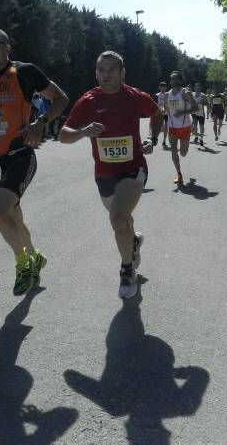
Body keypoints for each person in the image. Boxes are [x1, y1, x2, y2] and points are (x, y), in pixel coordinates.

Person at [0, 28, 68, 296]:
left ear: (8, 48)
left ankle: (23, 265)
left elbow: (61, 98)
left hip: (19, 155)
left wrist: (40, 123)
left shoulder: (25, 72)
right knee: (13, 216)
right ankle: (35, 255)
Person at [59, 51, 160, 298]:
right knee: (122, 220)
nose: (106, 75)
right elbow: (63, 135)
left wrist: (152, 138)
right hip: (104, 174)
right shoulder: (89, 100)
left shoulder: (135, 97)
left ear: (122, 73)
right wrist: (83, 131)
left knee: (118, 219)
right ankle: (133, 242)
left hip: (133, 168)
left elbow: (157, 115)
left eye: (111, 70)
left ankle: (127, 270)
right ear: (96, 73)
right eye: (101, 70)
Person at [163, 71, 198, 185]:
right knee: (173, 150)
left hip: (185, 127)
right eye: (171, 79)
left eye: (175, 79)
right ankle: (179, 174)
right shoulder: (167, 94)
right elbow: (166, 108)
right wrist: (164, 112)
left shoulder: (185, 93)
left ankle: (187, 143)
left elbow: (195, 107)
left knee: (183, 152)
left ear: (180, 80)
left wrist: (183, 112)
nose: (173, 81)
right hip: (172, 127)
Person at [155, 82, 170, 150]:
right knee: (158, 127)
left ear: (166, 88)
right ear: (159, 87)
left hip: (167, 113)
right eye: (161, 86)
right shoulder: (156, 95)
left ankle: (164, 140)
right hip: (159, 113)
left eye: (164, 87)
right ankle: (155, 138)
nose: (163, 88)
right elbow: (154, 104)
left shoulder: (169, 95)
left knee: (166, 127)